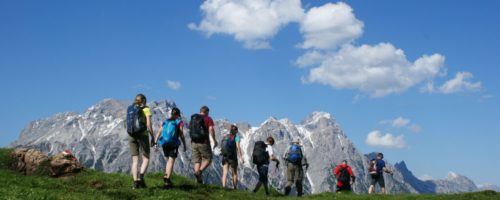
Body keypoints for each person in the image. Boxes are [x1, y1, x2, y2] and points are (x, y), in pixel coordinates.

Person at [154, 107, 187, 189]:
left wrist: (155, 142)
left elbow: (159, 132)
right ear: (178, 115)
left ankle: (166, 176)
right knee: (171, 161)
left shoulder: (166, 121)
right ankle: (167, 179)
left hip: (164, 143)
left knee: (168, 160)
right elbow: (181, 134)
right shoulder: (179, 122)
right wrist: (184, 144)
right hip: (173, 143)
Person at [126, 94, 154, 189]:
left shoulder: (130, 108)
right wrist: (153, 137)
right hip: (142, 135)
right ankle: (141, 177)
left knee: (135, 160)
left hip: (131, 135)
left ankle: (135, 182)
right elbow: (149, 125)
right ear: (144, 100)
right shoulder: (146, 109)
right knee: (146, 157)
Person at [189, 106, 218, 184]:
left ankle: (198, 182)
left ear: (200, 111)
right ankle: (199, 172)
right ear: (207, 112)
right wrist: (214, 140)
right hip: (204, 142)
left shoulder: (194, 118)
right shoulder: (208, 118)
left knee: (197, 161)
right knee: (208, 158)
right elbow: (211, 129)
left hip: (194, 142)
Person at [220, 125, 244, 189]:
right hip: (233, 157)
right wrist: (241, 157)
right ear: (236, 131)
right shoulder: (237, 137)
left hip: (225, 156)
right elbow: (238, 147)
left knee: (225, 172)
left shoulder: (226, 136)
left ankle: (223, 186)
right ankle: (235, 188)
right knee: (234, 173)